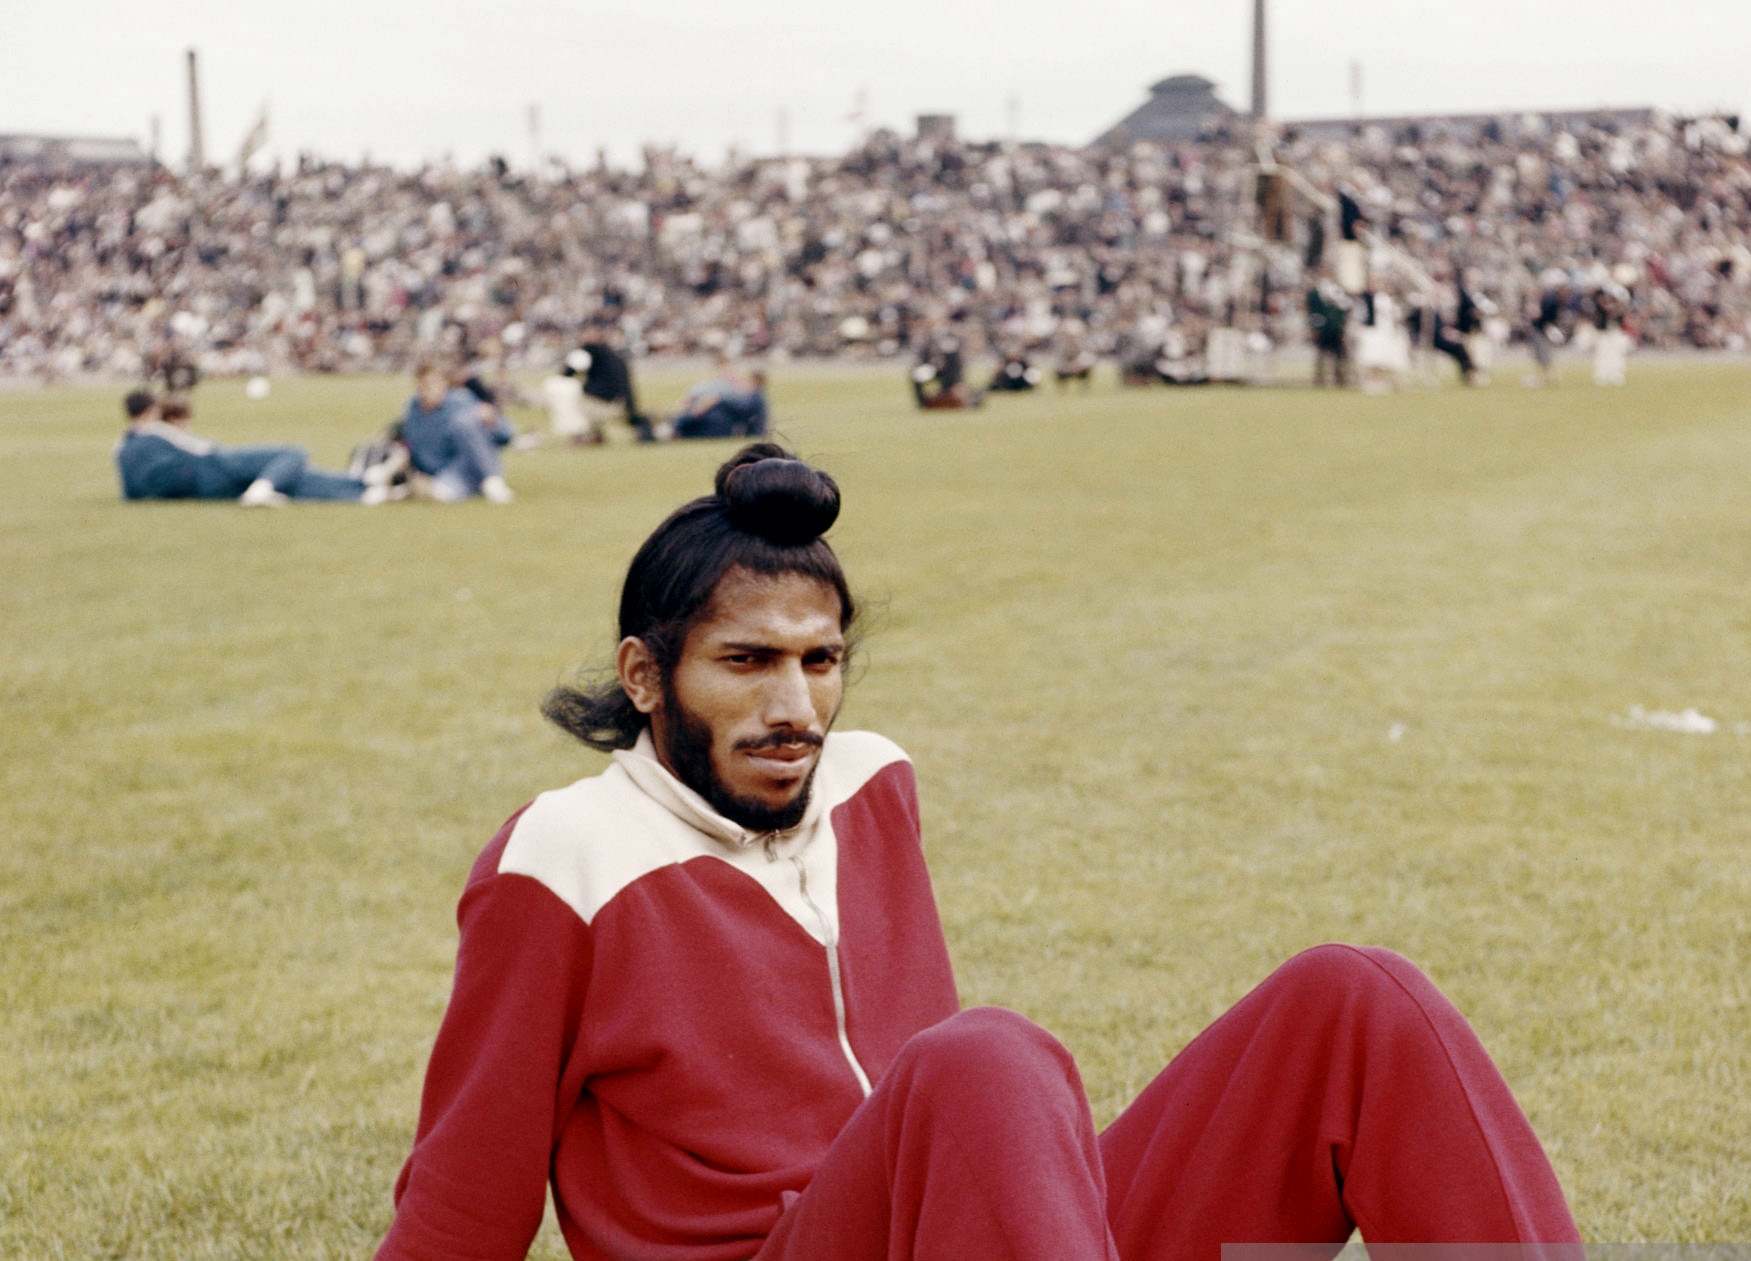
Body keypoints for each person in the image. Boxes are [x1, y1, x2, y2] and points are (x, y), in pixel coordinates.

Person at [376, 442, 1582, 1260]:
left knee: (1352, 998)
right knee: (986, 1058)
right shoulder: (565, 855)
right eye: (744, 662)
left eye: (819, 658)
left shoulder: (872, 783)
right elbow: (464, 1198)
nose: (793, 703)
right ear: (647, 675)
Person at [114, 390, 385, 506]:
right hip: (212, 469)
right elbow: (197, 448)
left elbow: (131, 493)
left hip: (199, 491)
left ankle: (362, 489)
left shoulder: (123, 449)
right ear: (151, 411)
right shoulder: (156, 431)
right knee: (293, 454)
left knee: (293, 482)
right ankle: (261, 490)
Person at [400, 364, 516, 503]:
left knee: (464, 422)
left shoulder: (460, 401)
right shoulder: (413, 410)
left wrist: (492, 421)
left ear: (445, 384)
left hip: (469, 465)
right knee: (440, 492)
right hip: (439, 470)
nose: (431, 390)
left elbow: (506, 434)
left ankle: (492, 481)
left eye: (436, 384)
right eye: (425, 384)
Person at [674, 368, 771, 439]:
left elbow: (741, 409)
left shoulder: (755, 396)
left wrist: (719, 400)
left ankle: (675, 429)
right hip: (726, 425)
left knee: (701, 417)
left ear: (755, 381)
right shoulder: (754, 395)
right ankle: (675, 427)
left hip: (751, 431)